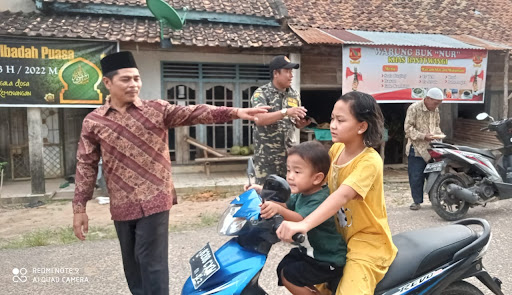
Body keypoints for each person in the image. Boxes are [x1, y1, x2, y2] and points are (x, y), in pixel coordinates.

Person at [71, 51, 268, 295]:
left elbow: (195, 112)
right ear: (108, 83)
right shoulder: (94, 121)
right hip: (121, 203)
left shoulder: (157, 110)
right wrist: (79, 208)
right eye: (126, 79)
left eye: (137, 78)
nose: (134, 85)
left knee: (151, 263)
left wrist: (235, 112)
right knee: (132, 267)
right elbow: (85, 164)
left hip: (155, 199)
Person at [276, 91, 398, 295]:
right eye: (332, 118)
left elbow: (341, 195)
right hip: (337, 241)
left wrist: (304, 224)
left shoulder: (369, 161)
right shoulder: (336, 150)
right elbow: (311, 183)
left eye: (340, 120)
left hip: (366, 242)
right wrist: (271, 196)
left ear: (362, 126)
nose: (332, 125)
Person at [247, 141, 347, 295]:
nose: (290, 176)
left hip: (327, 258)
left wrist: (278, 209)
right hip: (311, 252)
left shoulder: (319, 198)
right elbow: (286, 203)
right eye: (288, 170)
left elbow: (299, 219)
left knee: (291, 275)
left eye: (297, 172)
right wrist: (262, 192)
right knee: (283, 268)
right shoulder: (302, 193)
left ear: (317, 178)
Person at [251, 55, 311, 184]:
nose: (291, 75)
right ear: (276, 73)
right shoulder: (261, 93)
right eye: (287, 71)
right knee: (266, 195)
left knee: (288, 195)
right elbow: (259, 119)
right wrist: (285, 112)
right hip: (267, 159)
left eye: (292, 72)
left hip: (289, 157)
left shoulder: (294, 94)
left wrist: (300, 123)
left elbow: (294, 123)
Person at [404, 88, 444, 210]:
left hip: (432, 148)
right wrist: (423, 136)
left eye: (439, 103)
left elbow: (436, 126)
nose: (437, 106)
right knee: (416, 176)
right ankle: (417, 201)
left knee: (434, 175)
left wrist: (439, 135)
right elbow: (408, 128)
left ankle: (435, 200)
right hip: (416, 148)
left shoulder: (435, 110)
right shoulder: (414, 108)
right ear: (427, 98)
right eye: (435, 103)